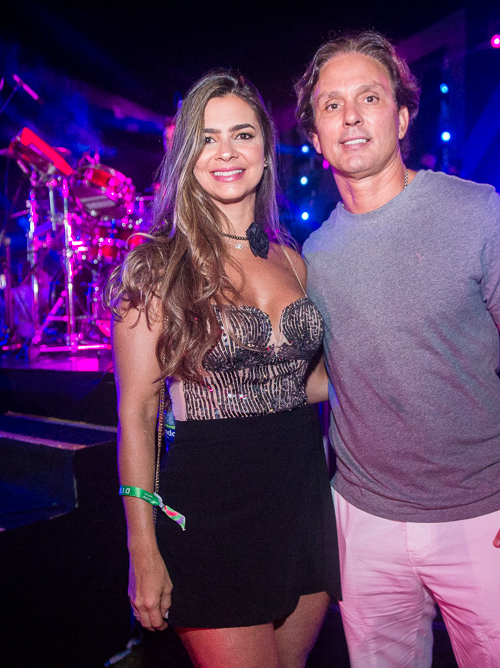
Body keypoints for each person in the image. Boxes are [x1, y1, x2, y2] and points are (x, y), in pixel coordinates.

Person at [295, 31, 500, 667]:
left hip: (489, 517)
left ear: (401, 118)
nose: (351, 116)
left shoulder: (474, 211)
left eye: (369, 97)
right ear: (315, 135)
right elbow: (331, 375)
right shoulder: (314, 254)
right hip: (363, 520)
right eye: (332, 105)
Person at [103, 69, 340, 668]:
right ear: (187, 157)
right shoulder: (156, 271)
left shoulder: (293, 261)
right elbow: (137, 415)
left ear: (266, 150)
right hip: (212, 514)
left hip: (302, 504)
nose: (227, 151)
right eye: (207, 138)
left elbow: (304, 383)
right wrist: (143, 548)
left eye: (243, 134)